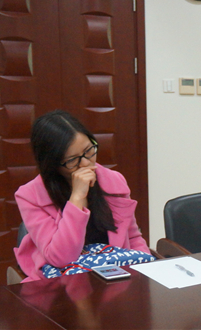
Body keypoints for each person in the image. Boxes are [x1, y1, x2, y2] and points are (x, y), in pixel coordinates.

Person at [14, 110, 151, 282]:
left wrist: (147, 273)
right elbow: (60, 258)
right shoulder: (29, 196)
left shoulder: (114, 180)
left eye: (89, 150)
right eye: (72, 160)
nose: (86, 163)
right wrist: (77, 198)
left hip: (114, 276)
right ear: (52, 164)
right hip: (61, 282)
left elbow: (132, 237)